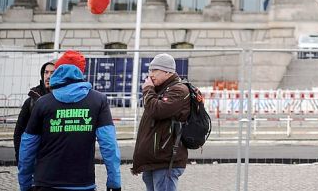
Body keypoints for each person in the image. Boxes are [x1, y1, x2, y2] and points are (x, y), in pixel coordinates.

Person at [17, 49, 121, 191]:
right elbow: (109, 145)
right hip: (83, 183)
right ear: (80, 72)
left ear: (59, 70)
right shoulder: (98, 101)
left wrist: (25, 184)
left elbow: (27, 146)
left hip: (46, 182)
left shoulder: (43, 103)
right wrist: (114, 183)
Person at [131, 53, 190, 191]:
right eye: (150, 70)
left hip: (166, 161)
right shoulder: (160, 90)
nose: (150, 74)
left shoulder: (178, 90)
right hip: (155, 160)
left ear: (168, 72)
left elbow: (156, 111)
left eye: (155, 70)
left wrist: (147, 90)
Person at [13, 60, 54, 162]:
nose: (48, 76)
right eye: (46, 72)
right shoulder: (31, 101)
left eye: (53, 73)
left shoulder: (64, 100)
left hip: (56, 158)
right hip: (36, 157)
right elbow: (19, 132)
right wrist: (20, 158)